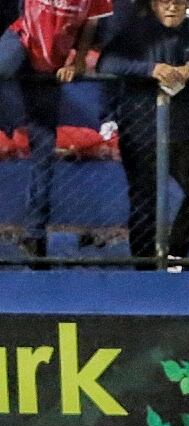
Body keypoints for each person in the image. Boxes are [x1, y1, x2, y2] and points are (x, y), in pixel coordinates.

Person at [99, 0, 189, 263]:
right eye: (166, 2)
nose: (172, 8)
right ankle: (144, 264)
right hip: (140, 130)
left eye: (178, 2)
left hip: (183, 133)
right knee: (143, 200)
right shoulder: (134, 30)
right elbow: (108, 62)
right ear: (154, 5)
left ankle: (175, 253)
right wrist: (150, 70)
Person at [0, 0, 112, 263]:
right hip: (21, 42)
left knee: (44, 148)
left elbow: (91, 23)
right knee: (3, 66)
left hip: (52, 65)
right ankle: (7, 121)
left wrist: (78, 60)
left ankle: (34, 235)